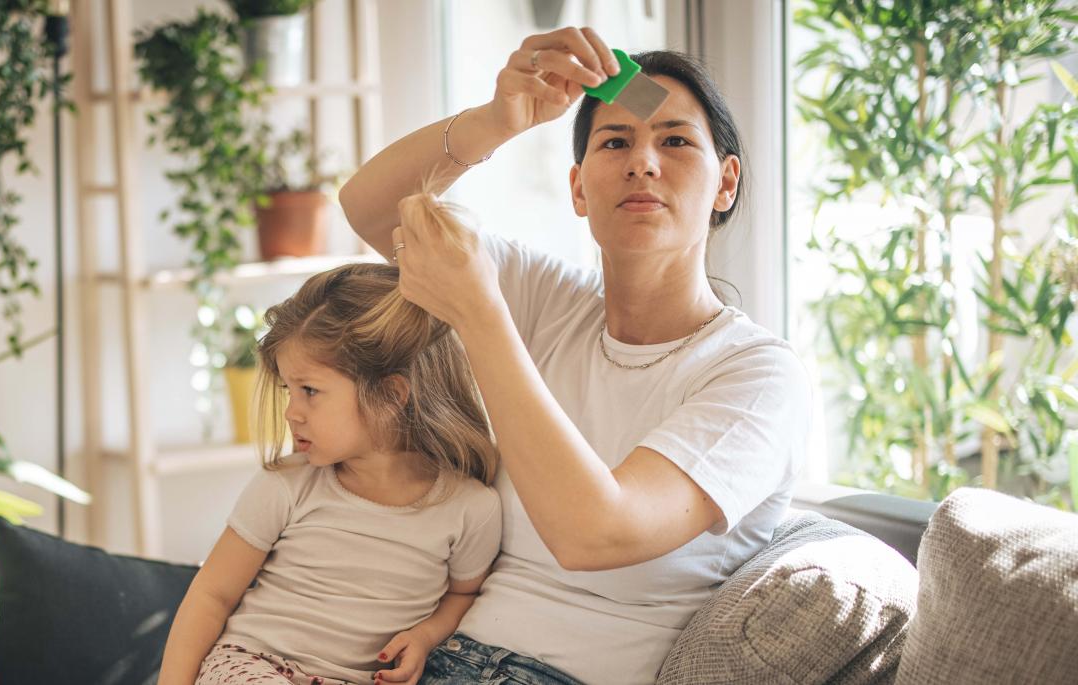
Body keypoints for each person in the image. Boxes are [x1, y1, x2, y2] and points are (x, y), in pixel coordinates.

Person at [336, 28, 813, 685]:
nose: (643, 162)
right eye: (615, 142)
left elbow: (593, 534)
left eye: (674, 140)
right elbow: (370, 207)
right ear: (580, 190)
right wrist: (492, 122)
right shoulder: (550, 300)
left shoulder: (758, 374)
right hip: (440, 659)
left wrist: (481, 316)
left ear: (725, 183)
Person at [158, 258, 504, 685]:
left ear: (391, 394)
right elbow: (213, 593)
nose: (291, 413)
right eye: (289, 390)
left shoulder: (470, 508)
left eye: (310, 391)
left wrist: (426, 635)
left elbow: (462, 594)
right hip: (254, 663)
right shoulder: (287, 485)